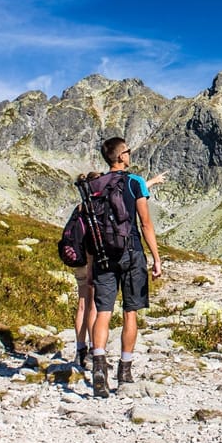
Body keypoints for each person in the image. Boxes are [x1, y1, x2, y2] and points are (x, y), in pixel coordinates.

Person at [89, 137, 163, 398]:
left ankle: (98, 367)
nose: (130, 155)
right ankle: (124, 370)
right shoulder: (135, 182)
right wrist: (156, 258)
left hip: (102, 255)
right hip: (131, 252)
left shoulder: (95, 184)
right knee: (130, 312)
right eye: (128, 152)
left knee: (103, 311)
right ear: (120, 156)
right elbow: (145, 224)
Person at [71, 171, 103, 368]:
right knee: (94, 306)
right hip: (91, 261)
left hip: (78, 261)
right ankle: (93, 350)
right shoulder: (95, 208)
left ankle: (79, 349)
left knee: (82, 304)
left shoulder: (80, 207)